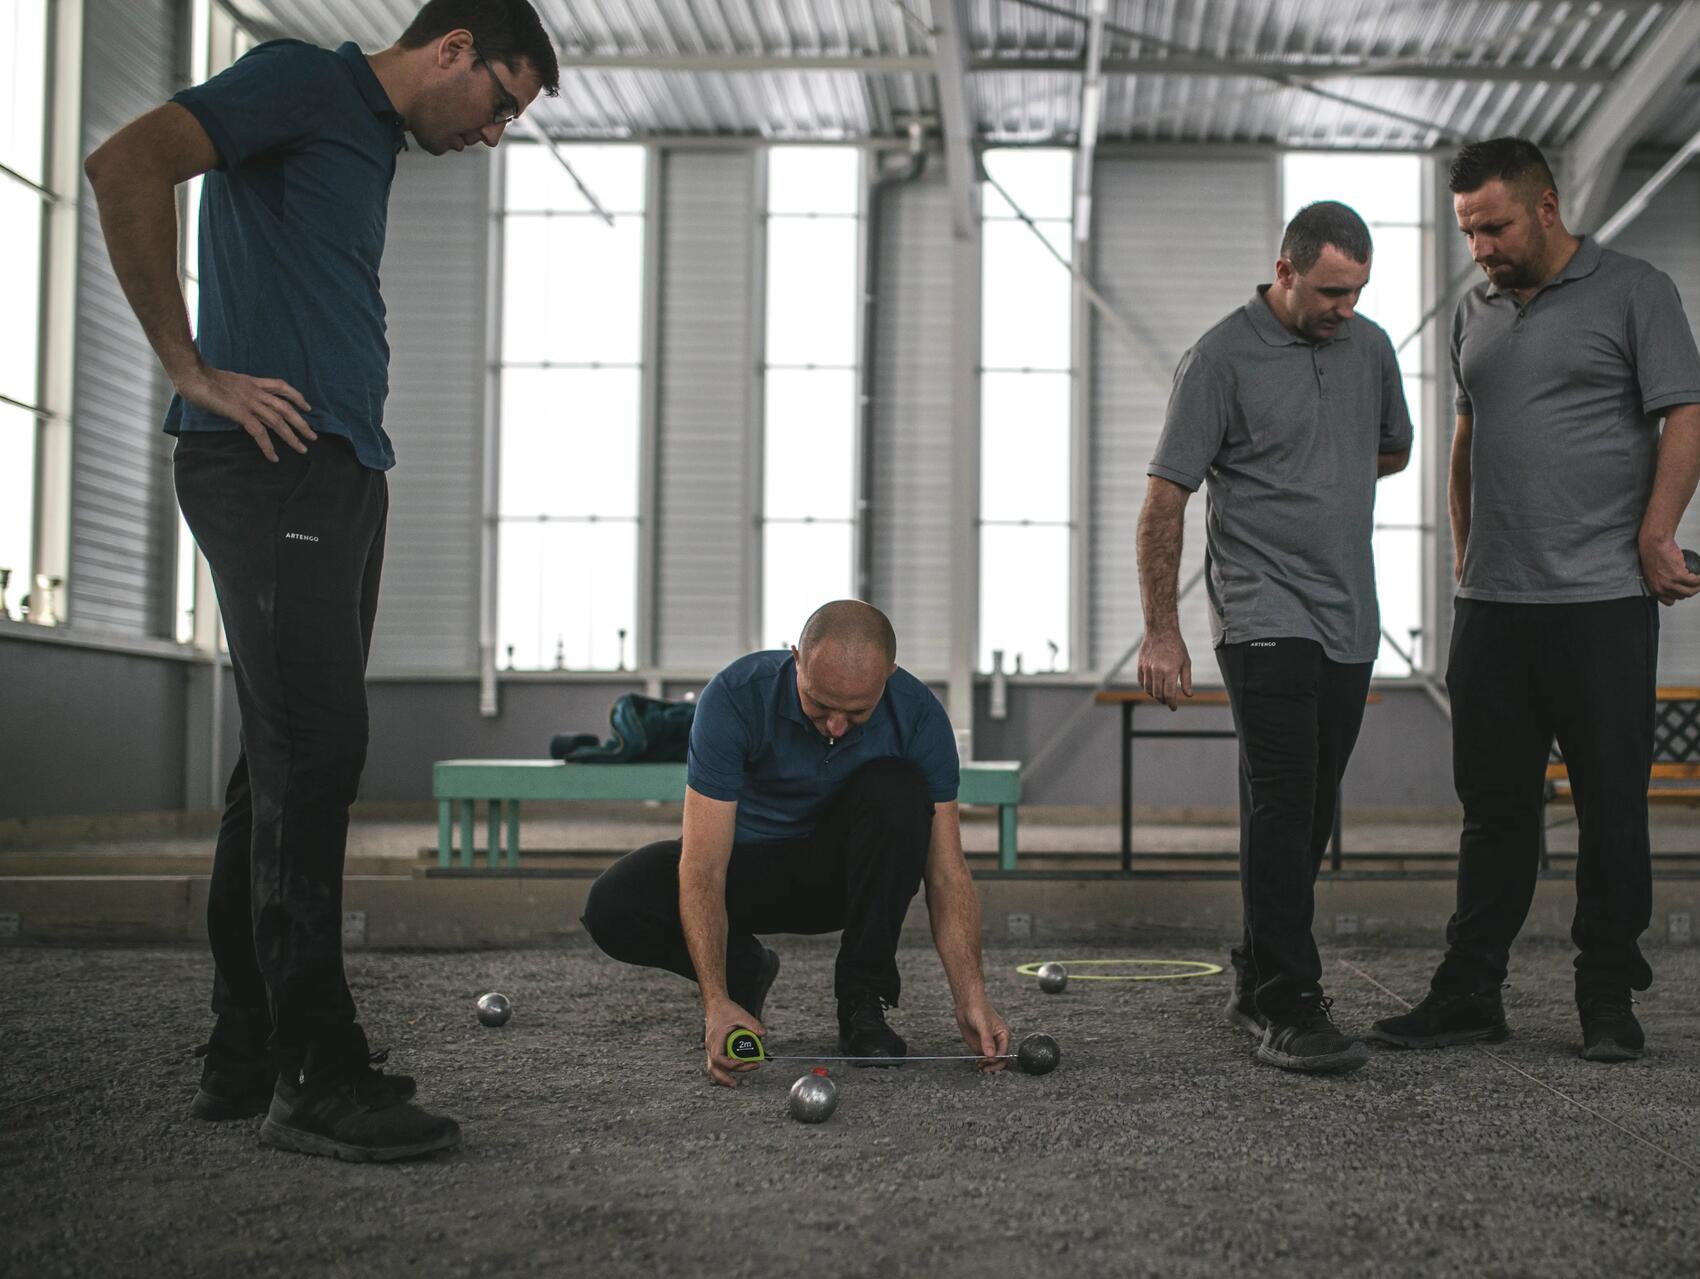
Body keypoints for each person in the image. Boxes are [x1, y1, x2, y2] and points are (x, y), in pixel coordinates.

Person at [86, 0, 561, 1160]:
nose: (494, 130)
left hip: (339, 467)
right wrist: (193, 372)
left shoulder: (367, 140)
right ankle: (316, 1072)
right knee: (318, 753)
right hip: (273, 469)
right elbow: (127, 161)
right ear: (452, 49)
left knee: (281, 759)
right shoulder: (304, 81)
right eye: (499, 101)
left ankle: (246, 1050)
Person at [1371, 137, 1700, 1063]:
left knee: (1611, 805)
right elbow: (1465, 438)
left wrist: (1655, 533)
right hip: (1493, 608)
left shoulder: (1635, 291)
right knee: (1492, 808)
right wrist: (1463, 553)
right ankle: (1471, 988)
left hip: (1600, 601)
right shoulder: (1473, 315)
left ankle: (1606, 993)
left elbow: (1689, 409)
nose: (1479, 246)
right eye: (1468, 231)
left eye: (1494, 226)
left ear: (1548, 206)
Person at [1136, 202, 1413, 1074]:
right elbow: (1164, 498)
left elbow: (1393, 450)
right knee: (1285, 798)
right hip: (1262, 613)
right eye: (1332, 290)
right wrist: (1161, 631)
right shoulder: (1220, 358)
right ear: (1285, 270)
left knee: (1308, 808)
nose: (1347, 306)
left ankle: (1258, 963)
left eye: (1360, 291)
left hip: (1348, 616)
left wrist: (1314, 473)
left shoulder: (1368, 348)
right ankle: (1288, 1003)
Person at [581, 601, 1012, 1086]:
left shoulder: (919, 718)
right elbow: (703, 866)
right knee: (612, 904)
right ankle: (742, 970)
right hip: (742, 870)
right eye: (820, 704)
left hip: (841, 878)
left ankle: (862, 1006)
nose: (834, 726)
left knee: (900, 789)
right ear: (796, 660)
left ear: (888, 676)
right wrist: (716, 1001)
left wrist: (971, 995)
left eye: (856, 712)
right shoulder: (734, 697)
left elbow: (947, 873)